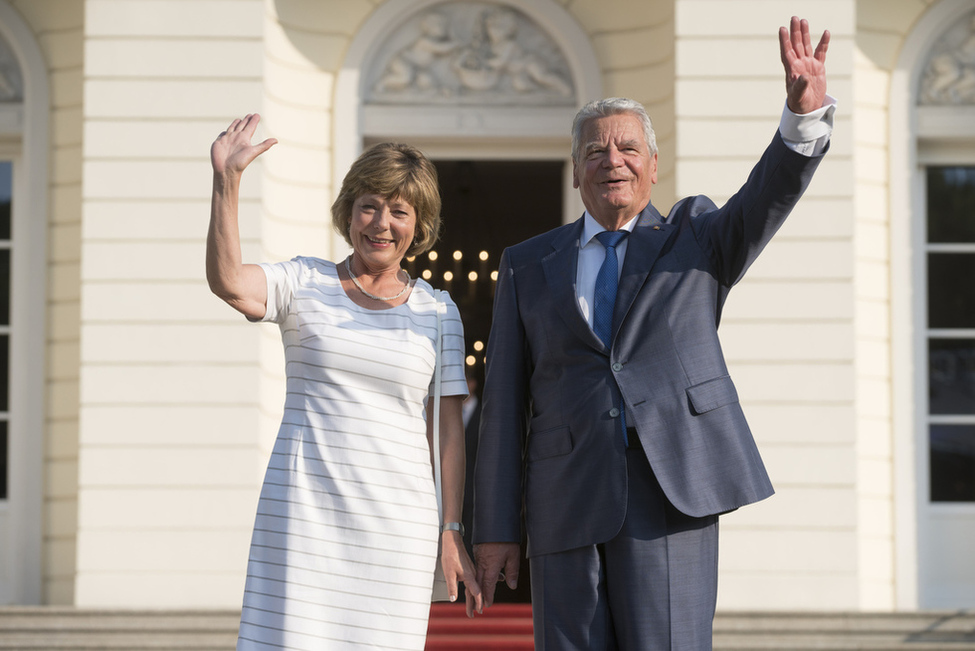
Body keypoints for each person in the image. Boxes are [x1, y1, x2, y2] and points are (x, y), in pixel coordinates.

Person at [472, 16, 833, 650]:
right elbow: (502, 406)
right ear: (576, 170)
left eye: (627, 148)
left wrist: (800, 120)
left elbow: (764, 198)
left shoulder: (696, 236)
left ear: (652, 165)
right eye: (595, 151)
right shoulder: (527, 263)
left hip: (672, 492)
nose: (612, 160)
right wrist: (496, 527)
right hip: (565, 501)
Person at [207, 119, 483, 650]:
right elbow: (229, 282)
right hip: (305, 516)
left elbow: (448, 431)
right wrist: (227, 182)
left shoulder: (438, 311)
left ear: (418, 224)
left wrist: (451, 530)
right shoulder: (302, 282)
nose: (381, 223)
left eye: (399, 211)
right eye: (369, 205)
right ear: (349, 212)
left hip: (398, 525)